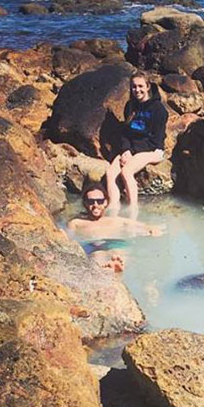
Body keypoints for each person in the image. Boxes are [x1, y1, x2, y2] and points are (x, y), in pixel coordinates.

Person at [67, 181, 163, 272]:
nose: (95, 205)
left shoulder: (115, 220)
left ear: (106, 202)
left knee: (118, 253)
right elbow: (68, 239)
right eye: (90, 201)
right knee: (97, 256)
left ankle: (116, 266)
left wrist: (152, 229)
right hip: (93, 246)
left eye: (100, 201)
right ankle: (110, 269)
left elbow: (143, 225)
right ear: (85, 203)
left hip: (116, 244)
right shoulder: (76, 223)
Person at [106, 71, 168, 211]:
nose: (137, 90)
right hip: (133, 149)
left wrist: (132, 152)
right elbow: (126, 132)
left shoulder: (158, 109)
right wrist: (126, 150)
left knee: (126, 171)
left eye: (140, 86)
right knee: (111, 173)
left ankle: (133, 210)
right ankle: (113, 208)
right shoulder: (130, 106)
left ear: (147, 87)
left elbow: (156, 139)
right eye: (134, 87)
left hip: (153, 150)